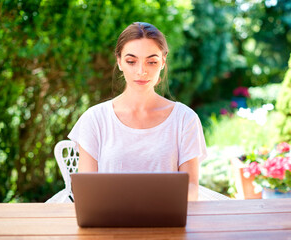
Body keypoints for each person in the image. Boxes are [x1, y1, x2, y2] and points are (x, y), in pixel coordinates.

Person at [68, 22, 207, 201]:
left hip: (167, 223)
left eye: (151, 61)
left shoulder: (185, 119)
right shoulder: (94, 119)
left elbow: (191, 188)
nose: (141, 71)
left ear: (163, 62)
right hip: (109, 223)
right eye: (131, 61)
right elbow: (85, 191)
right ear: (119, 62)